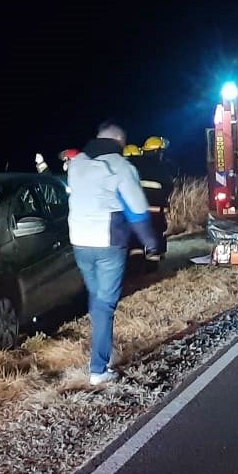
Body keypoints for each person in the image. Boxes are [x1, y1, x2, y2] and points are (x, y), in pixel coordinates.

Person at [66, 122, 161, 385]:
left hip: (80, 241)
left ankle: (100, 354)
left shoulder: (77, 164)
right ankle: (98, 369)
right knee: (104, 305)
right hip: (108, 242)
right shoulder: (120, 167)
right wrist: (150, 242)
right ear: (119, 140)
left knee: (97, 300)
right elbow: (137, 209)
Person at [128, 136, 173, 256]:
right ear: (157, 151)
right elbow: (168, 186)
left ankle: (136, 258)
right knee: (158, 231)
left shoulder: (135, 165)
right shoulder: (161, 166)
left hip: (136, 208)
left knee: (135, 234)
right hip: (156, 208)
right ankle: (154, 260)